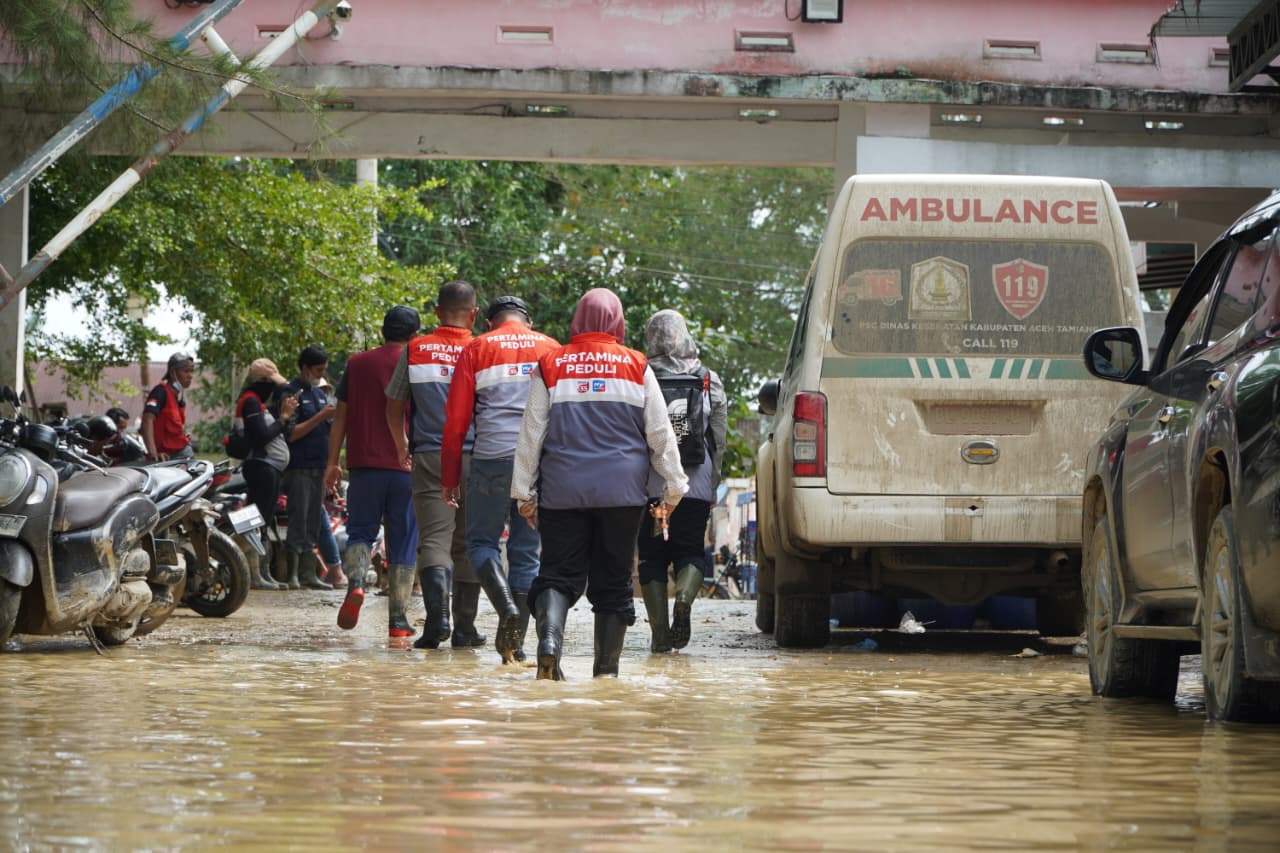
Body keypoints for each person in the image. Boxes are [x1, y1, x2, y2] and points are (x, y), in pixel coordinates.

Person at [511, 288, 688, 680]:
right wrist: (673, 488)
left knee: (557, 574)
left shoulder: (551, 364)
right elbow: (660, 434)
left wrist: (524, 493)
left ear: (577, 320)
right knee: (613, 582)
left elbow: (531, 434)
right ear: (618, 323)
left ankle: (549, 644)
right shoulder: (636, 365)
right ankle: (605, 676)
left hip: (562, 491)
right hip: (622, 495)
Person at [440, 294, 558, 663]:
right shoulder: (551, 349)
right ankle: (517, 644)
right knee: (526, 554)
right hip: (538, 464)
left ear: (489, 321)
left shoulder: (477, 347)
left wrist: (450, 476)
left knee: (480, 544)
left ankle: (505, 605)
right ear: (528, 319)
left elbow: (457, 422)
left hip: (491, 460)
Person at [385, 281, 481, 651]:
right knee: (470, 542)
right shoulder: (481, 348)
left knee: (434, 540)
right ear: (473, 314)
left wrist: (401, 444)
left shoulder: (416, 348)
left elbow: (394, 405)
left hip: (430, 454)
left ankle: (437, 621)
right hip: (478, 456)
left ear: (437, 312)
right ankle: (465, 629)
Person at [635, 309, 728, 652]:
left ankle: (659, 635)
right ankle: (685, 600)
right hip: (696, 482)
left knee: (652, 555)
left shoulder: (639, 373)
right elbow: (718, 437)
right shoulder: (708, 378)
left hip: (651, 483)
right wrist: (713, 482)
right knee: (690, 549)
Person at [326, 306, 420, 638]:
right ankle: (397, 621)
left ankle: (355, 584)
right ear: (414, 336)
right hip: (406, 467)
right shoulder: (417, 361)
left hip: (364, 465)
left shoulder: (356, 364)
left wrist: (332, 463)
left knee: (361, 533)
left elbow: (340, 417)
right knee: (404, 540)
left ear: (383, 331)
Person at [236, 358, 300, 588]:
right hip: (261, 467)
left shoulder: (257, 403)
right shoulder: (251, 402)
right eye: (271, 385)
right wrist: (282, 417)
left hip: (269, 468)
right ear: (261, 381)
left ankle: (259, 573)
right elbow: (262, 436)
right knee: (256, 519)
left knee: (261, 519)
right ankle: (252, 574)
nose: (274, 390)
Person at [283, 346, 337, 592]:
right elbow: (292, 433)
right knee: (298, 520)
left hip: (319, 466)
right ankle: (292, 573)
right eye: (318, 370)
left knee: (314, 522)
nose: (320, 374)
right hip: (299, 466)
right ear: (305, 368)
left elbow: (326, 429)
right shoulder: (291, 392)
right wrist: (320, 416)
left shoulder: (318, 394)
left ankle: (309, 573)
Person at [142, 351, 196, 461]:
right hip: (167, 458)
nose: (190, 376)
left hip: (181, 454)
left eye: (192, 371)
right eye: (186, 371)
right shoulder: (160, 392)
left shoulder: (178, 398)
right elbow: (147, 420)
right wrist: (153, 453)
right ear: (172, 373)